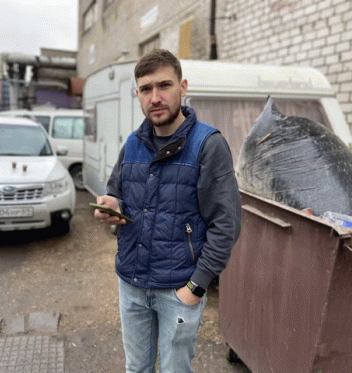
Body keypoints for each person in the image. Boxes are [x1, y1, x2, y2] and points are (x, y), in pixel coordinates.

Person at [93, 49, 242, 373]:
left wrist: (196, 286)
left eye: (164, 86)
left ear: (183, 87)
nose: (155, 97)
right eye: (146, 89)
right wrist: (113, 206)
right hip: (131, 283)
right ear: (138, 94)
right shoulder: (133, 143)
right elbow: (116, 191)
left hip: (179, 289)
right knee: (137, 369)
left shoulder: (207, 145)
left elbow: (226, 224)